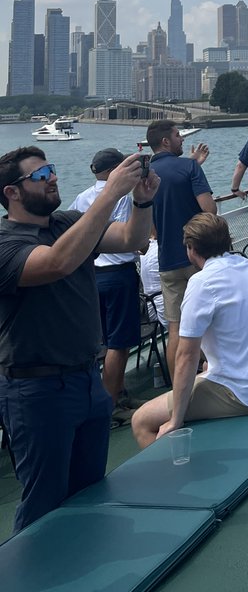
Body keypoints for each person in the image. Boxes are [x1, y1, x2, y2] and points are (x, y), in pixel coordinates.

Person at [0, 146, 156, 532]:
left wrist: (141, 199)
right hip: (37, 390)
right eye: (40, 175)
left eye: (50, 169)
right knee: (44, 503)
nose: (52, 177)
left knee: (89, 492)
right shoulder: (6, 243)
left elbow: (131, 239)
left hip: (88, 380)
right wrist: (109, 193)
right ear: (12, 193)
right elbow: (55, 263)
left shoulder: (66, 222)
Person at [132, 213, 248, 447]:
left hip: (247, 393)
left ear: (191, 248)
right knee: (206, 368)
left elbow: (186, 355)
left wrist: (176, 418)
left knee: (141, 420)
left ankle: (175, 479)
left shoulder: (202, 282)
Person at [69, 148, 141, 425]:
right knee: (119, 343)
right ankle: (109, 407)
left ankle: (116, 393)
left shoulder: (82, 197)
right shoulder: (121, 195)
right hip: (119, 274)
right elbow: (130, 231)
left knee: (99, 342)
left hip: (90, 275)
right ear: (114, 170)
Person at [148, 119, 217, 381]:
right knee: (209, 323)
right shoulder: (188, 167)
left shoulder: (145, 176)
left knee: (176, 329)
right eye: (178, 135)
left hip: (167, 262)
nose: (182, 139)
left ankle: (176, 388)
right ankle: (211, 378)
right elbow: (209, 210)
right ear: (166, 140)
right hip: (199, 258)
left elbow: (150, 229)